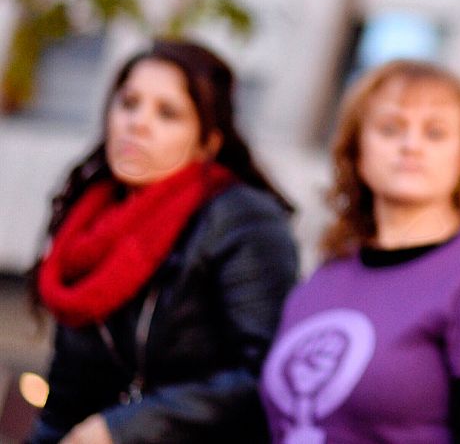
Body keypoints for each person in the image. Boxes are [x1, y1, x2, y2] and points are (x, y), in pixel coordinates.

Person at [28, 39, 299, 444]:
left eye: (167, 113)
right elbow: (64, 400)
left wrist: (123, 429)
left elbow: (269, 373)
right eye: (128, 103)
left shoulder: (241, 219)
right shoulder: (89, 224)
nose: (136, 123)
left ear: (208, 142)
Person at [261, 60, 460, 444]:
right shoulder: (326, 277)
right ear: (357, 149)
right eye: (390, 128)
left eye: (435, 133)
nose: (411, 145)